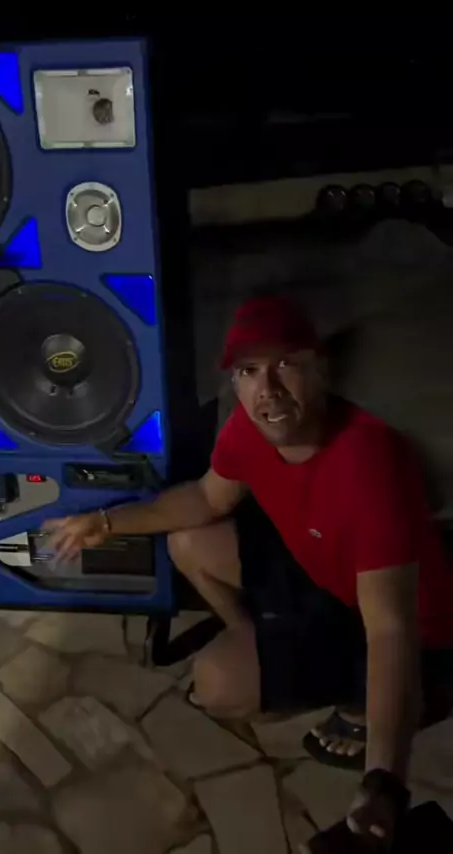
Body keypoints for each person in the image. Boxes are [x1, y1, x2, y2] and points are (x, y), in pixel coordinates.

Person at [45, 293, 453, 847]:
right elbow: (205, 499)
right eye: (249, 371)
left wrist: (385, 781)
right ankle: (262, 639)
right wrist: (108, 522)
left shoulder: (370, 465)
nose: (269, 389)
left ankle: (384, 703)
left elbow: (390, 630)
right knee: (188, 542)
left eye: (286, 365)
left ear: (320, 370)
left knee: (218, 685)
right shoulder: (248, 427)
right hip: (321, 571)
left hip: (406, 628)